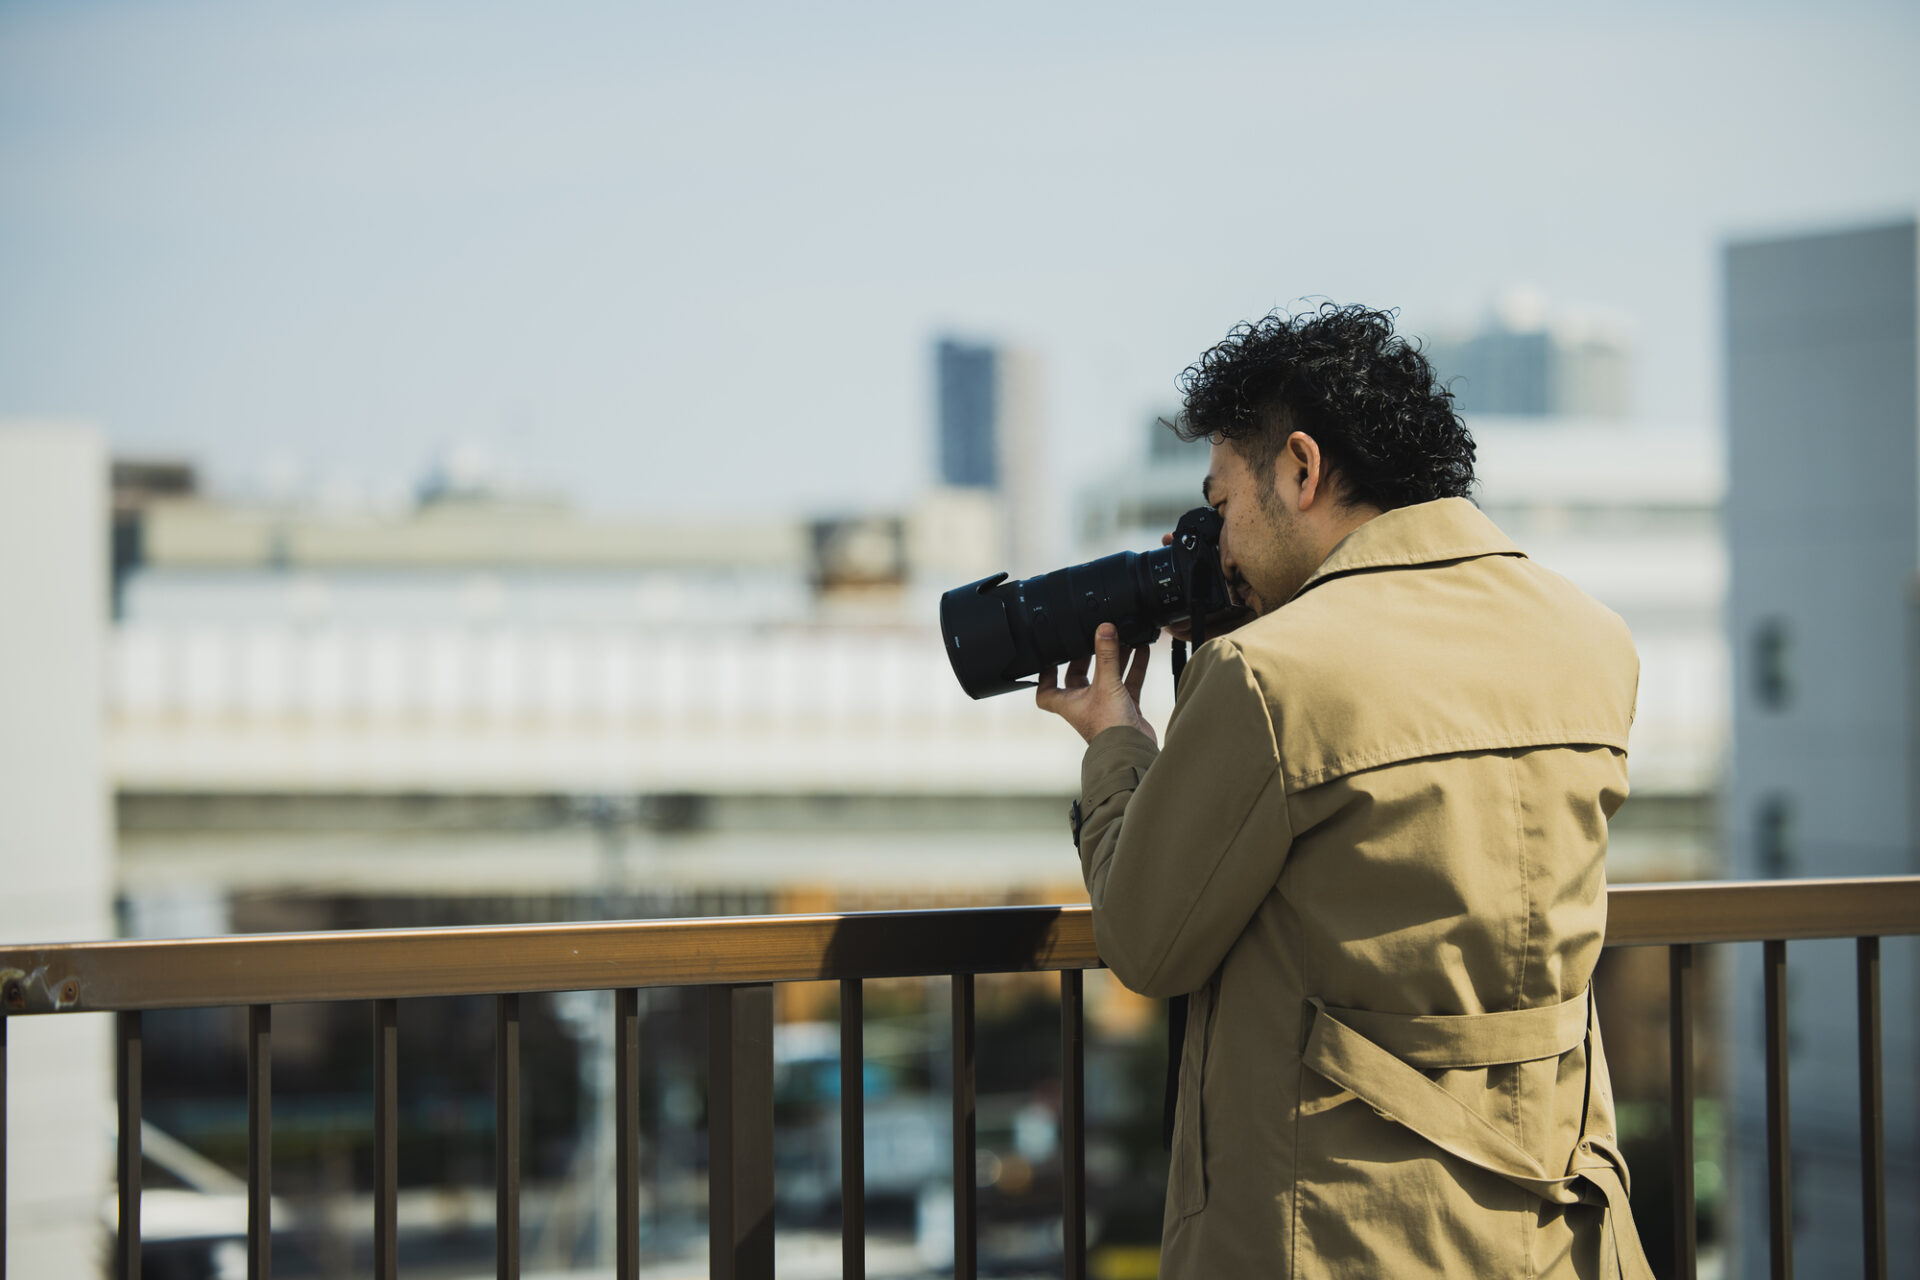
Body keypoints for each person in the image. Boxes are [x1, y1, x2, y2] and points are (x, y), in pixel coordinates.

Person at [1036, 304, 1653, 1278]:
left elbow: (1148, 942)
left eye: (1224, 500)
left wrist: (1118, 742)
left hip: (1338, 1237)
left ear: (1302, 469)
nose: (1219, 542)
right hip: (1556, 1226)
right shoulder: (1590, 637)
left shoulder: (1269, 674)